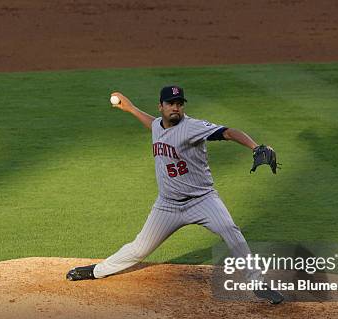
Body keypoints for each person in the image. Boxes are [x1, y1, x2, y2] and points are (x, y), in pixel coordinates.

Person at [67, 85, 284, 304]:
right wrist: (131, 108)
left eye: (179, 104)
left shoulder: (192, 128)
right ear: (161, 106)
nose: (176, 108)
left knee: (230, 230)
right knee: (139, 248)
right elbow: (152, 124)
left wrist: (255, 147)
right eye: (171, 103)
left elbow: (227, 132)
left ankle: (257, 283)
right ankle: (97, 271)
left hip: (203, 200)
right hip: (167, 206)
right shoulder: (157, 126)